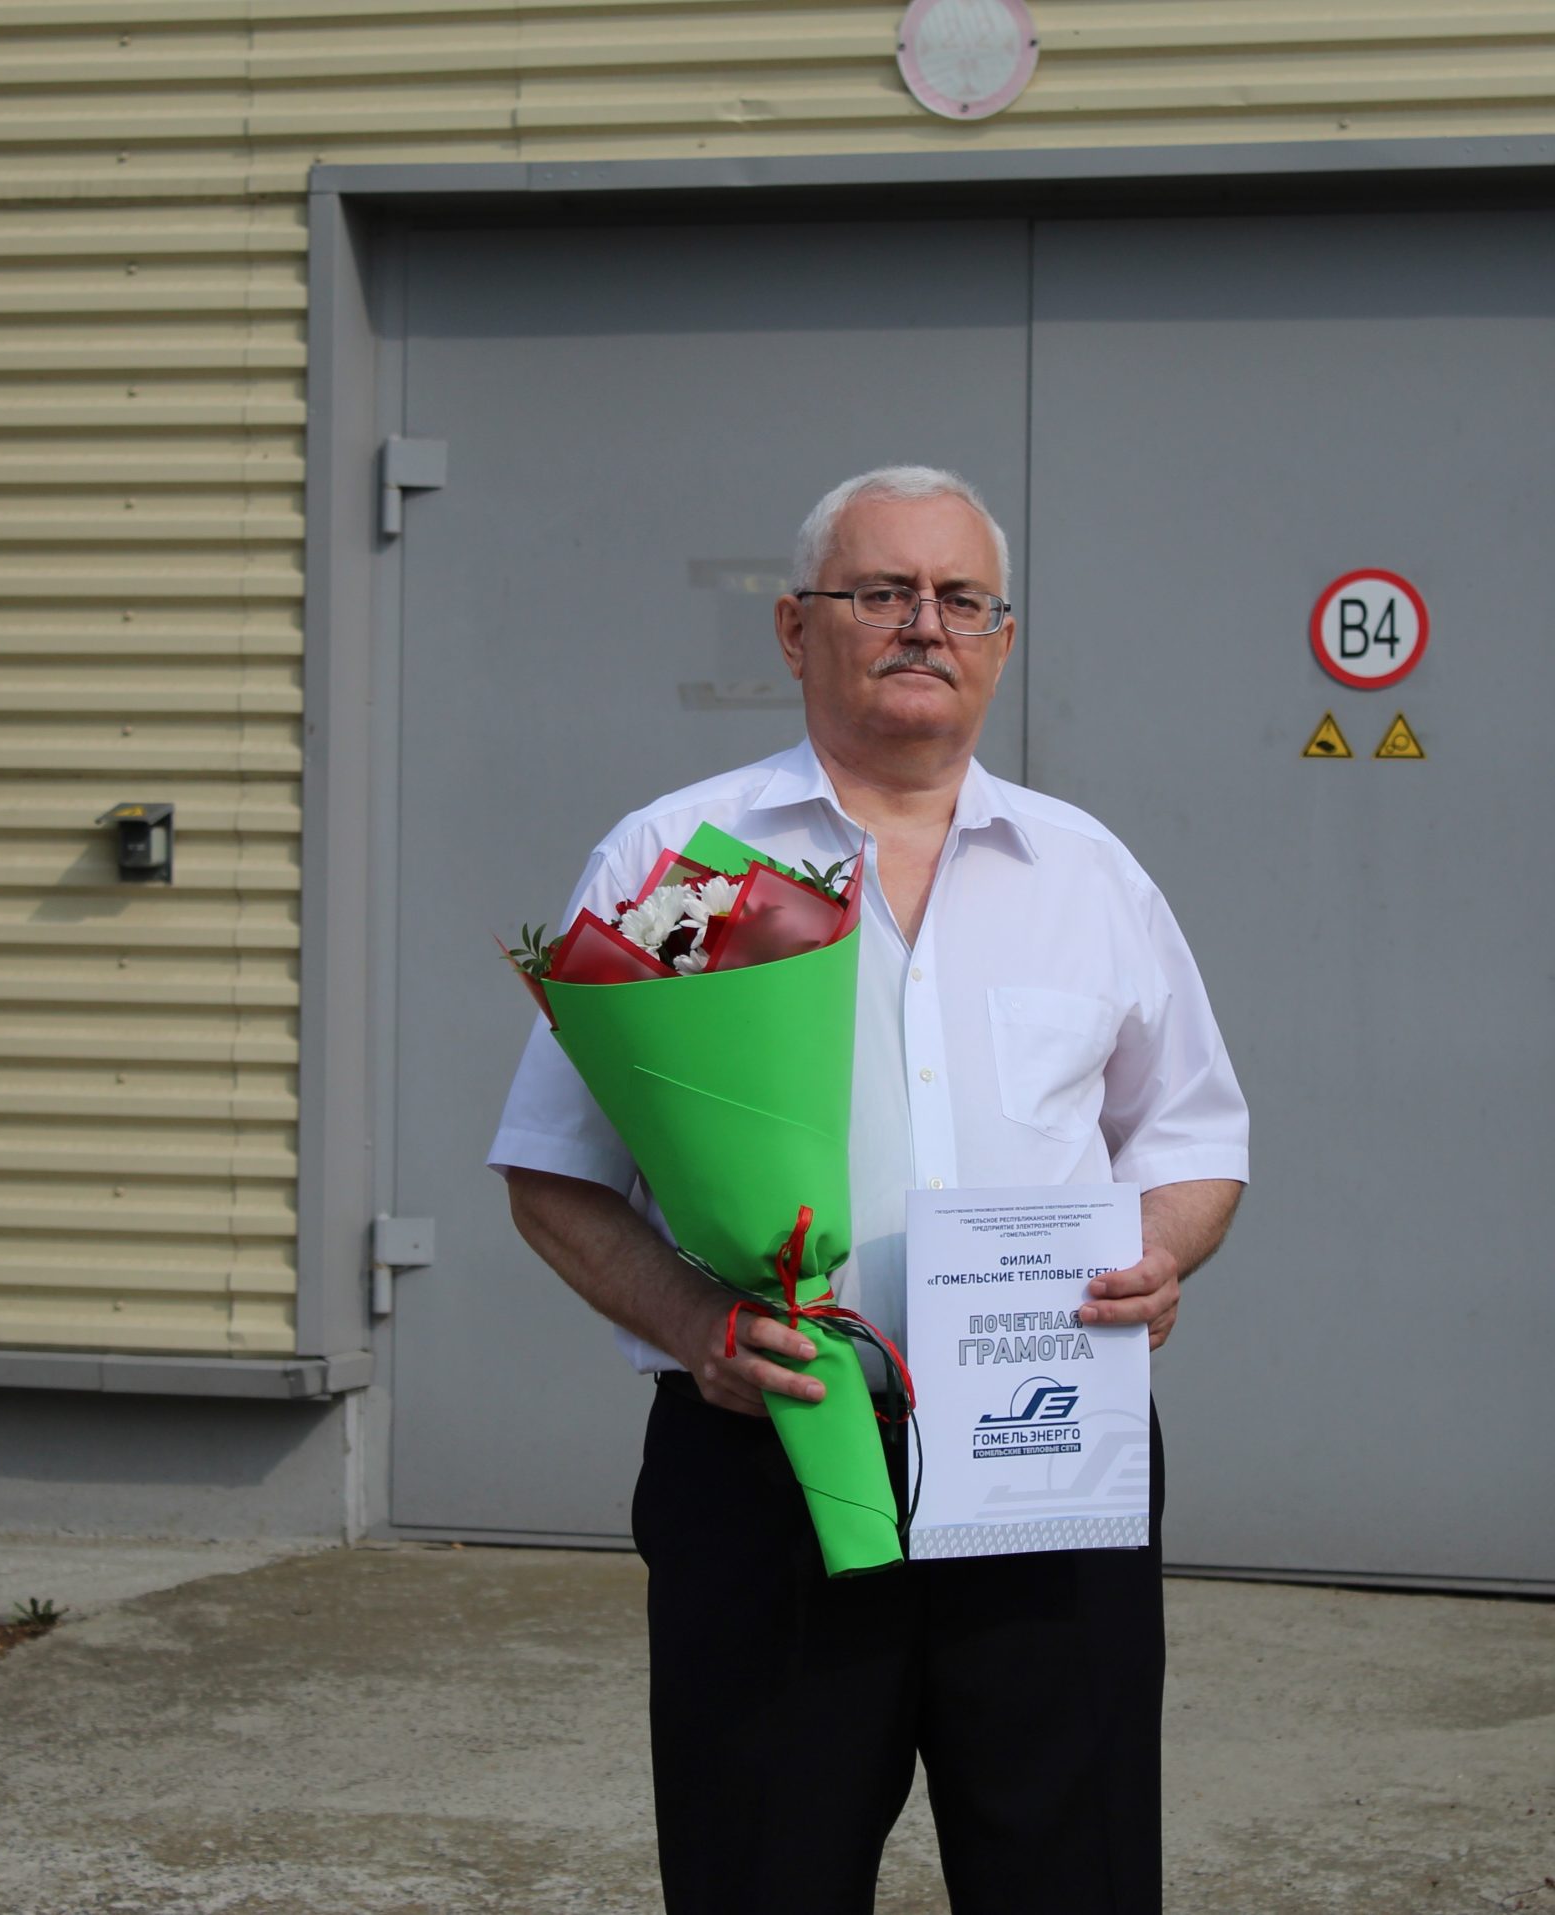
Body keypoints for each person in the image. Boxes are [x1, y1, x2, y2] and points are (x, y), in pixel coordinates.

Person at [488, 465, 1249, 1914]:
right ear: (794, 629)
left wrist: (1158, 1251)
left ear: (1002, 640)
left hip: (1047, 1467)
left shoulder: (1089, 877)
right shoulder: (687, 868)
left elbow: (1194, 1140)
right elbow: (552, 1177)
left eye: (962, 599)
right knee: (761, 1877)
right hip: (766, 1463)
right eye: (881, 592)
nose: (924, 624)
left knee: (1073, 1881)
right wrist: (698, 1326)